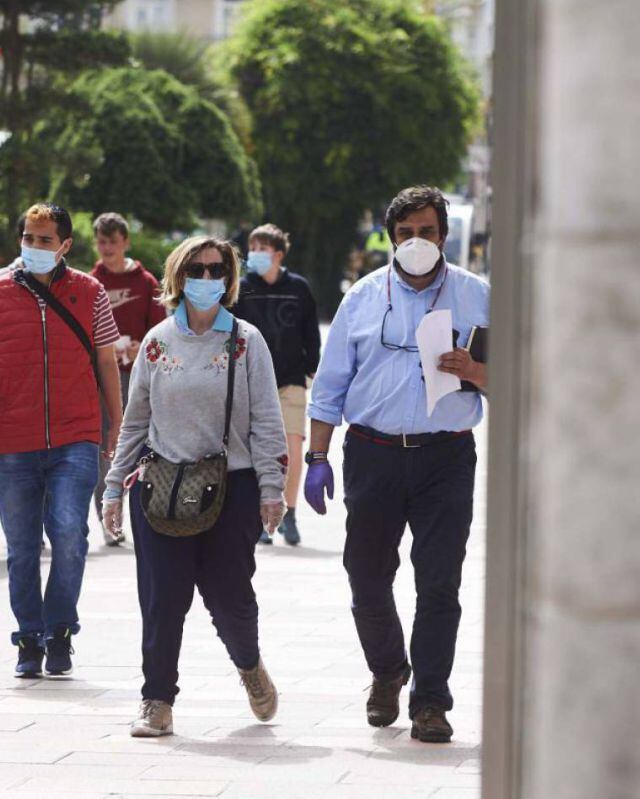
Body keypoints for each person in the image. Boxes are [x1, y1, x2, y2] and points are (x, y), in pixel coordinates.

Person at [304, 186, 489, 744]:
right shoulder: (361, 297)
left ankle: (430, 700)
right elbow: (330, 386)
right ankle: (388, 670)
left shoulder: (478, 296)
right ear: (390, 237)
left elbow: (522, 381)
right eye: (405, 234)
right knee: (365, 576)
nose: (416, 243)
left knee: (439, 584)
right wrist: (316, 457)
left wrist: (476, 372)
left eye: (427, 232)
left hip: (445, 457)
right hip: (373, 454)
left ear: (444, 236)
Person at [102, 236, 287, 737]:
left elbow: (267, 420)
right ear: (177, 276)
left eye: (216, 270)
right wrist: (115, 486)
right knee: (162, 599)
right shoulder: (158, 342)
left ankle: (249, 665)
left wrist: (273, 487)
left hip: (233, 490)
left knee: (229, 598)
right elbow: (135, 421)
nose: (206, 279)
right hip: (162, 488)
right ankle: (157, 700)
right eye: (196, 269)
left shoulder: (246, 341)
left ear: (228, 279)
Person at [0, 203, 124, 679]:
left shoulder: (90, 293)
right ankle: (29, 637)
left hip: (76, 434)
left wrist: (117, 422)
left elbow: (107, 361)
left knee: (71, 535)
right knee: (22, 546)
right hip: (12, 437)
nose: (33, 247)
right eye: (28, 238)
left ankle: (61, 630)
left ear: (66, 246)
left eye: (44, 240)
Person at [234, 223, 321, 546]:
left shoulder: (298, 288)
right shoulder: (242, 288)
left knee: (292, 446)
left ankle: (291, 513)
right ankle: (263, 515)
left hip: (290, 380)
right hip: (251, 381)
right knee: (258, 451)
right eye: (252, 248)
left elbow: (311, 332)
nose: (255, 254)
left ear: (279, 254)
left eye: (262, 248)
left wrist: (312, 369)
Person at [90, 212, 166, 546]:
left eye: (113, 241)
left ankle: (145, 517)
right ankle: (109, 520)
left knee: (140, 448)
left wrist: (141, 348)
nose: (107, 248)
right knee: (104, 450)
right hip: (101, 378)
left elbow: (162, 333)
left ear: (126, 243)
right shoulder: (90, 281)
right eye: (102, 241)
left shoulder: (146, 283)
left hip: (138, 378)